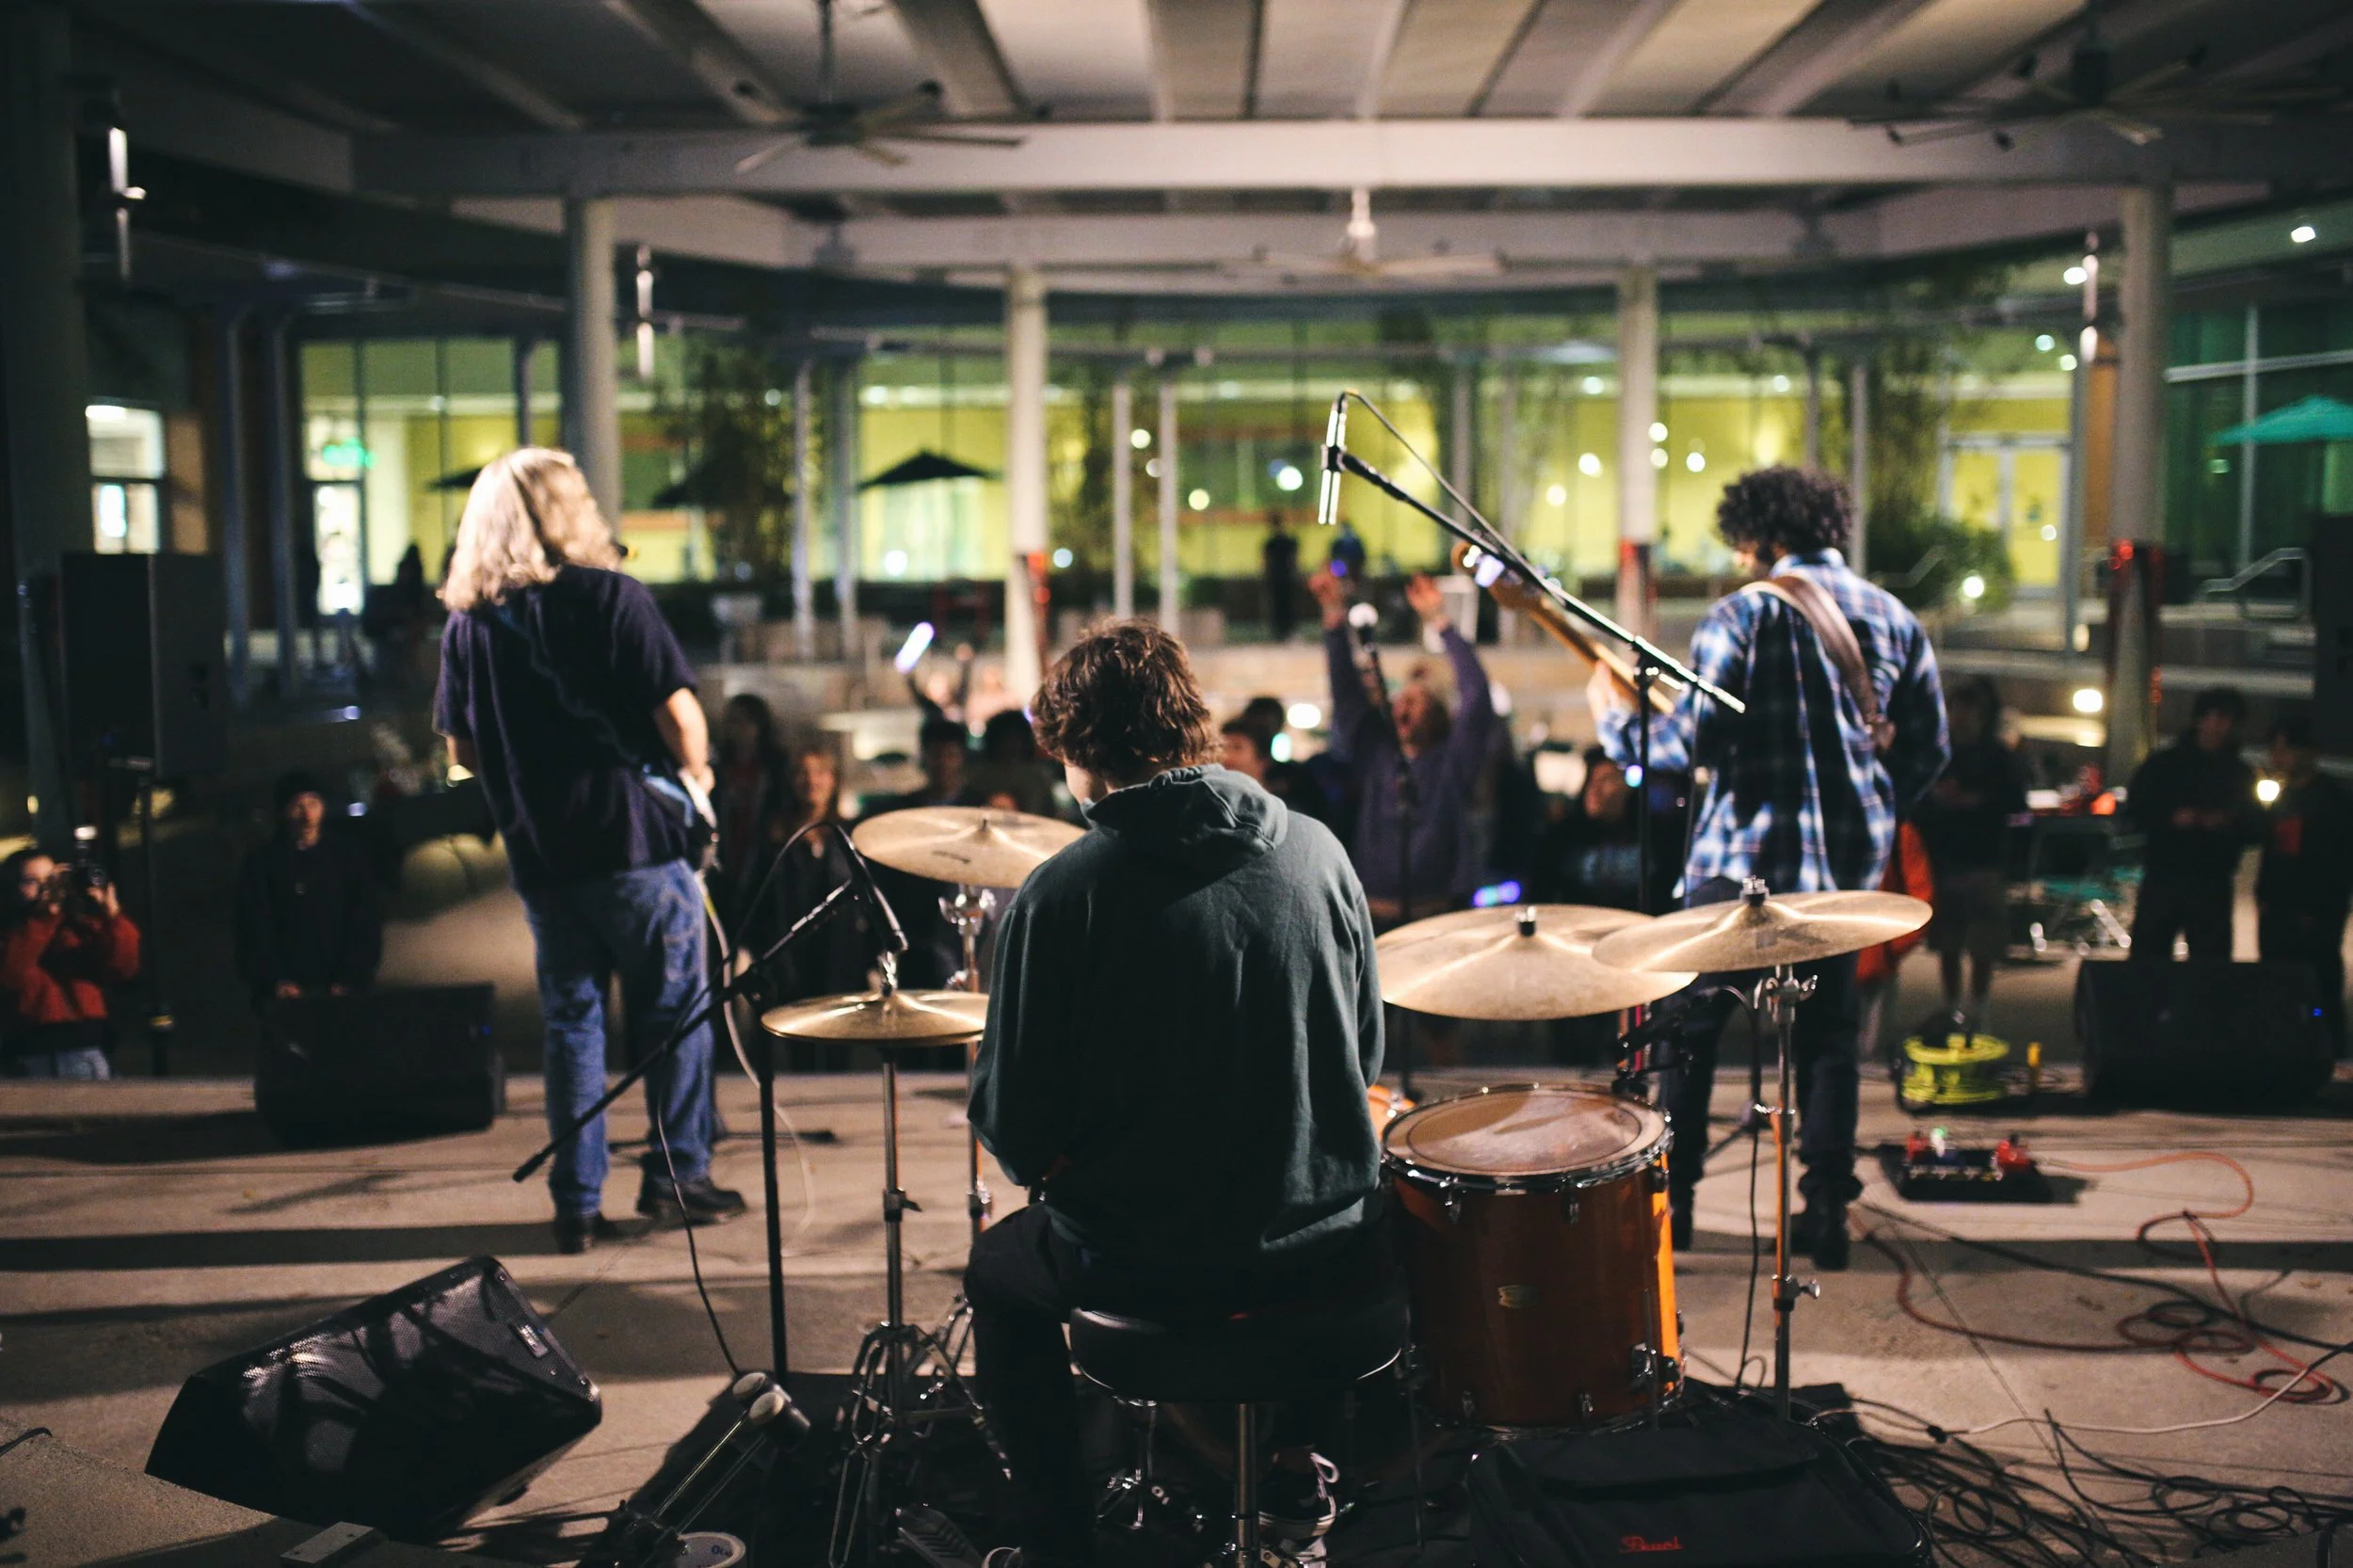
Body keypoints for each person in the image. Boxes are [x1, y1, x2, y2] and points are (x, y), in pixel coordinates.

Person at [967, 620, 1385, 1568]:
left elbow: (1019, 1133)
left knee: (1001, 1271)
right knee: (1349, 1212)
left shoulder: (1060, 894)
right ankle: (1293, 1461)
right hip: (1322, 1258)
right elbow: (1361, 1060)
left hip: (1144, 1266)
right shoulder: (1321, 855)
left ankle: (1055, 1542)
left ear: (1077, 747)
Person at [1588, 467, 1946, 1269]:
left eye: (1746, 545)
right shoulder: (1893, 617)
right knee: (1828, 1038)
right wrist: (1876, 807)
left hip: (1737, 859)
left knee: (1690, 1030)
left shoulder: (1743, 614)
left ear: (1764, 539)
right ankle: (1824, 1213)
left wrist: (1614, 721)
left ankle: (1670, 1206)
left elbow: (1691, 744)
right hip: (1843, 873)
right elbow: (1932, 746)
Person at [434, 447, 744, 1254]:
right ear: (570, 509)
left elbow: (462, 748)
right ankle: (678, 1179)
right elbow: (678, 715)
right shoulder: (613, 598)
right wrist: (698, 773)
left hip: (543, 858)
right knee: (674, 1017)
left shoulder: (469, 624)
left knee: (572, 1027)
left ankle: (576, 1205)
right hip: (635, 845)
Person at [1310, 568, 1496, 927]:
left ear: (1439, 715)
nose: (1402, 707)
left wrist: (1440, 622)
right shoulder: (1377, 755)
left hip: (1437, 919)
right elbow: (1346, 695)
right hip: (1373, 918)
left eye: (1417, 701)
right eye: (1400, 699)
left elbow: (1476, 699)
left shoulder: (1451, 763)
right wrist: (1334, 617)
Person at [1912, 677, 2026, 1030]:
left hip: (1983, 858)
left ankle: (1978, 1008)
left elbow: (2015, 804)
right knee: (1948, 940)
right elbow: (1916, 802)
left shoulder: (1996, 757)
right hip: (1945, 858)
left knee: (1983, 942)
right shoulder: (1937, 754)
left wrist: (1976, 801)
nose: (1961, 717)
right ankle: (1953, 1006)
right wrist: (1937, 800)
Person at [760, 744, 878, 1071]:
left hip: (841, 957)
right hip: (793, 958)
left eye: (820, 772)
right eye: (802, 772)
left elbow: (869, 898)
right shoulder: (774, 836)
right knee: (801, 1052)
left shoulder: (850, 835)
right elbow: (758, 903)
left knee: (839, 1052)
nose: (811, 781)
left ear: (833, 779)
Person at [2124, 687, 2264, 963]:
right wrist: (2172, 818)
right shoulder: (2164, 765)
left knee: (2209, 962)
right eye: (2217, 718)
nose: (2221, 727)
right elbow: (2136, 811)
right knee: (2149, 958)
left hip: (2211, 875)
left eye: (2228, 721)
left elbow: (2256, 826)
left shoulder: (2239, 773)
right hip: (2166, 870)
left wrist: (2226, 824)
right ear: (2200, 719)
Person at [233, 770, 385, 1008]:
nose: (307, 815)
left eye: (313, 804)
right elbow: (253, 925)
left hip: (342, 984)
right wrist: (275, 980)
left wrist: (352, 975)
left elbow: (366, 917)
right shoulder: (262, 863)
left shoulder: (346, 856)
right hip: (288, 991)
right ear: (284, 811)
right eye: (298, 806)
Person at [856, 715, 975, 993]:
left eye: (950, 755)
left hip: (965, 939)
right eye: (935, 754)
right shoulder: (903, 812)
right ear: (923, 758)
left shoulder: (979, 809)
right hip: (912, 938)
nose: (943, 763)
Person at [0, 846, 140, 1080]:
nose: (47, 888)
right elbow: (10, 974)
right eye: (32, 881)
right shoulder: (10, 935)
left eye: (52, 879)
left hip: (91, 1049)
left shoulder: (77, 927)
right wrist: (45, 916)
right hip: (33, 1056)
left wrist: (111, 914)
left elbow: (123, 968)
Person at [2256, 714, 2353, 1049]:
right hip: (2278, 904)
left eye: (2286, 750)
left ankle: (2326, 1040)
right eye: (2275, 750)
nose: (2279, 757)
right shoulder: (2282, 796)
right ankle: (2283, 1039)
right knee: (2276, 975)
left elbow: (2336, 859)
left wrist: (2319, 906)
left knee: (2318, 977)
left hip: (2315, 907)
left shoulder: (2331, 798)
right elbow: (2271, 851)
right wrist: (2264, 894)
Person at [1857, 820, 1934, 1079]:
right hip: (1825, 960)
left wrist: (1892, 947)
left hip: (1874, 961)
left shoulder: (1899, 832)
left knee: (1868, 1055)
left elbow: (1922, 896)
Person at [712, 693, 794, 933]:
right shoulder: (719, 768)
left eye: (744, 720)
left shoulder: (775, 766)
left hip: (763, 860)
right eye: (732, 721)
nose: (737, 728)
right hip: (726, 856)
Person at [1262, 510, 1302, 640]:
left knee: (1280, 606)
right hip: (1283, 578)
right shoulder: (1284, 542)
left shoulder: (1272, 543)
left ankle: (1281, 631)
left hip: (1279, 578)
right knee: (1283, 606)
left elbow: (1266, 562)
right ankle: (1283, 631)